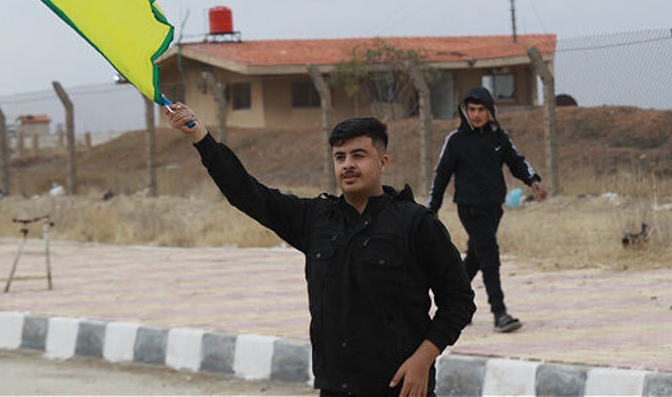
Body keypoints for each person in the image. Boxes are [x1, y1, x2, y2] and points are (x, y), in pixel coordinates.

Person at [166, 102, 475, 397]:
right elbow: (247, 193)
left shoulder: (416, 223)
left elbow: (458, 301)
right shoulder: (315, 219)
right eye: (340, 157)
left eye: (359, 155)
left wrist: (424, 359)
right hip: (335, 384)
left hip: (400, 385)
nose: (348, 165)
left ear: (382, 162)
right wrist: (201, 138)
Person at [427, 86, 547, 334]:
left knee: (475, 257)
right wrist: (433, 207)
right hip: (469, 208)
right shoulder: (456, 141)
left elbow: (516, 161)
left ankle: (454, 304)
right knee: (489, 256)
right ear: (465, 111)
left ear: (490, 111)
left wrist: (533, 180)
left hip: (494, 207)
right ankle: (499, 313)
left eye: (481, 109)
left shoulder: (499, 137)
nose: (476, 114)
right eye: (471, 110)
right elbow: (441, 175)